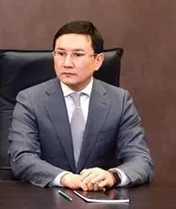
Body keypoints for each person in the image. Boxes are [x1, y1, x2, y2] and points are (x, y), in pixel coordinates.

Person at [8, 20, 153, 190]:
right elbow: (22, 157)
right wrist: (65, 178)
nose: (67, 63)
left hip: (101, 197)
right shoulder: (30, 99)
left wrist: (112, 176)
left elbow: (141, 159)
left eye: (77, 55)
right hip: (47, 197)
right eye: (61, 53)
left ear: (98, 60)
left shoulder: (119, 101)